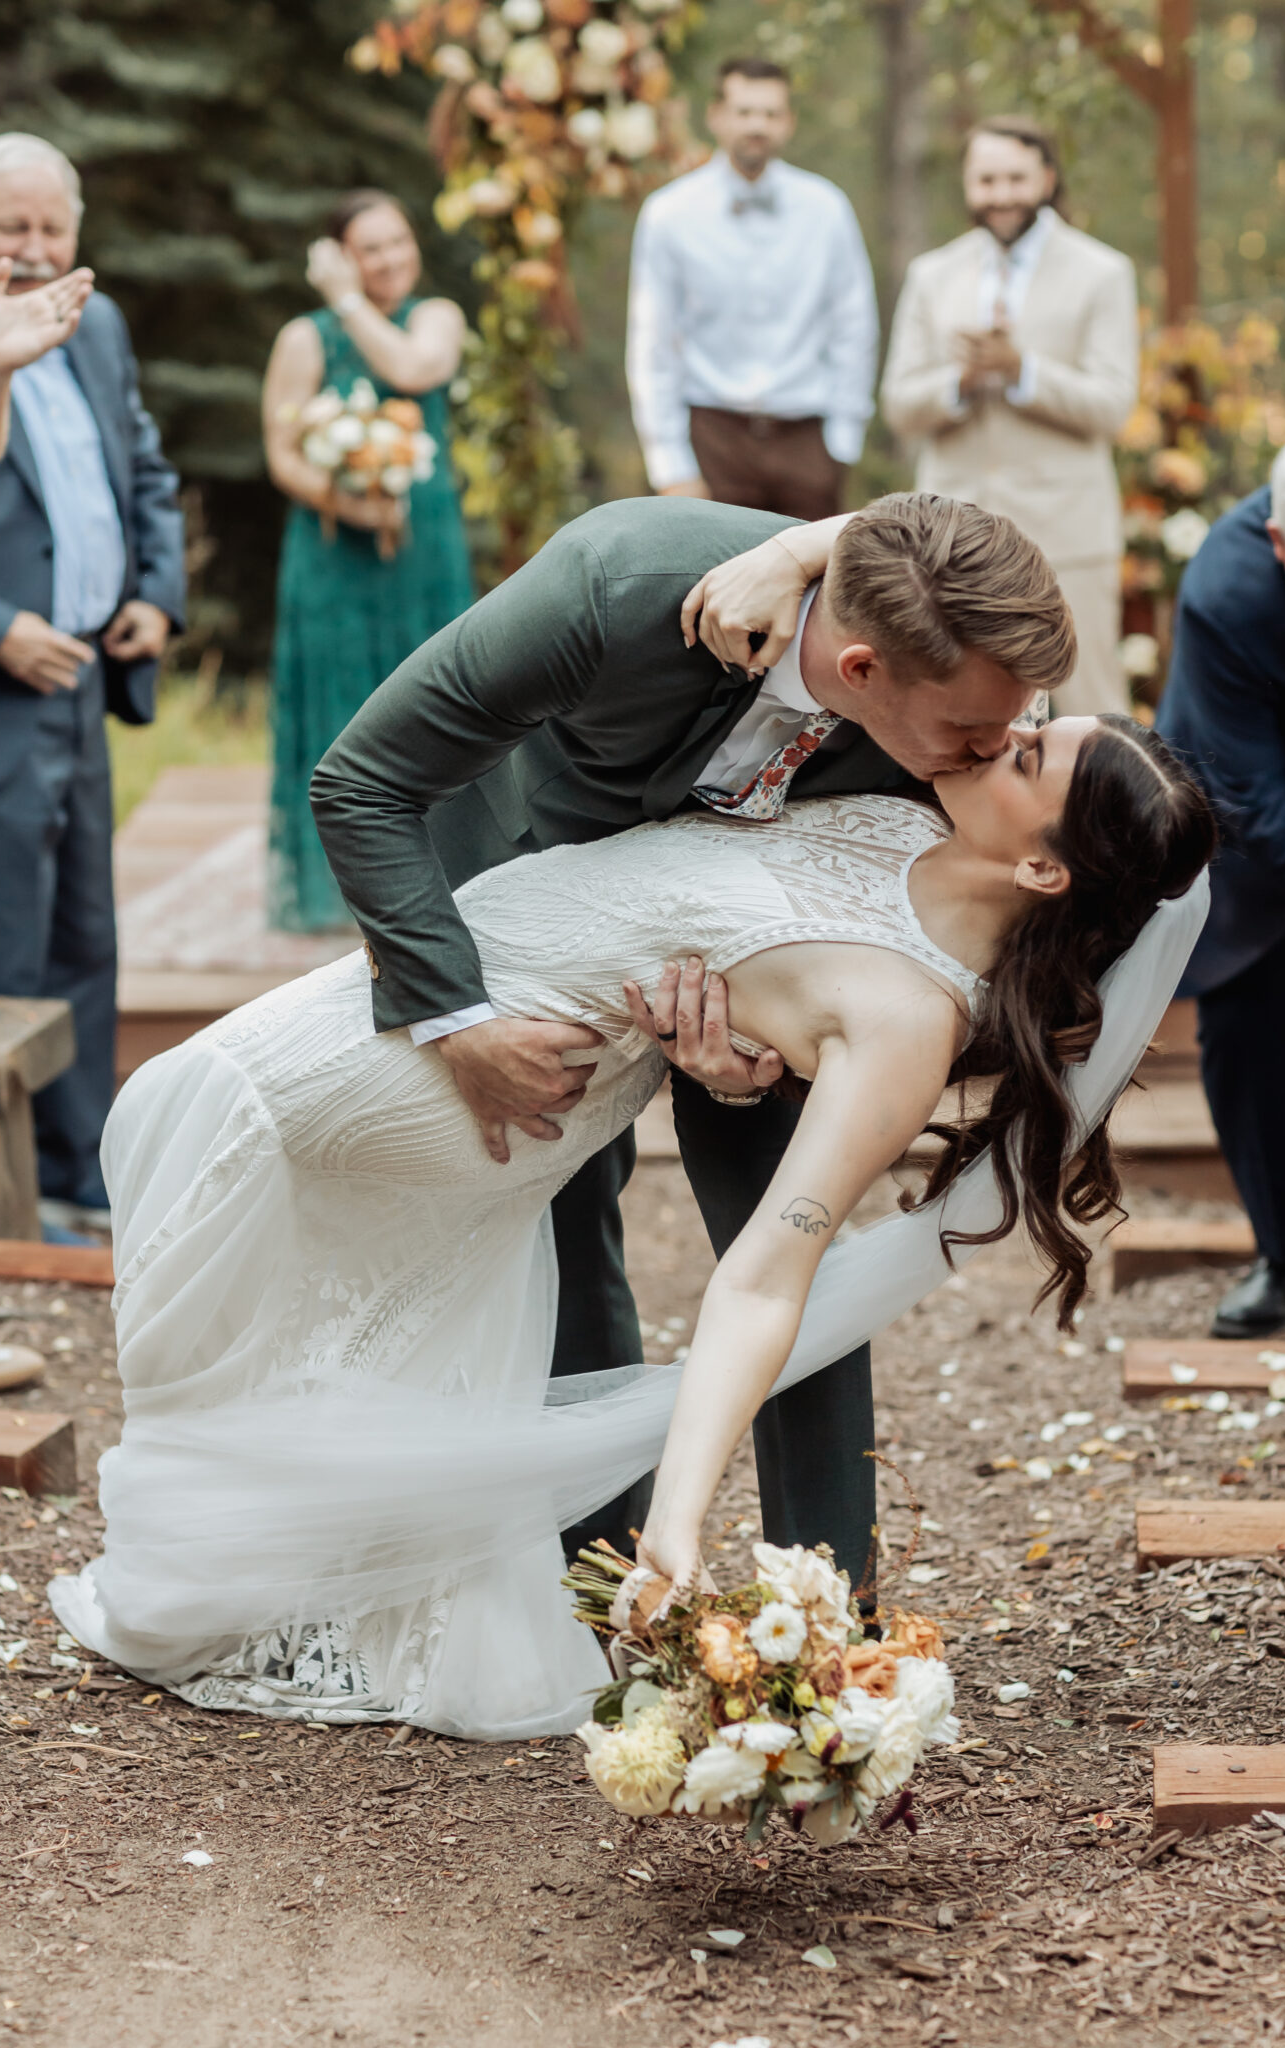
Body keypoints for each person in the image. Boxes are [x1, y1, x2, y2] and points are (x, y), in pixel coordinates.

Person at [48, 706, 1212, 1733]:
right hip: (451, 1010)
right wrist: (727, 1064)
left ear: (1046, 871)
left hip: (459, 1078)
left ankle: (197, 1571)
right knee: (265, 1283)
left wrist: (677, 1514)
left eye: (1026, 757)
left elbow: (768, 1275)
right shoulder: (908, 814)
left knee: (185, 1125)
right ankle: (231, 1570)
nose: (995, 733)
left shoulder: (902, 1020)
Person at [304, 491, 1071, 1615]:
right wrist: (456, 1020)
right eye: (967, 738)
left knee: (784, 1246)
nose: (995, 751)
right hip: (543, 885)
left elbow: (952, 528)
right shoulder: (616, 586)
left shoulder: (969, 684)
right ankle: (606, 1589)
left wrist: (777, 1049)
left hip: (774, 946)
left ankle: (823, 1617)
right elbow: (359, 779)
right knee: (563, 1220)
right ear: (860, 671)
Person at [0, 133, 184, 1224]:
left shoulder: (98, 324)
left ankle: (82, 1172)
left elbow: (141, 468)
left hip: (85, 685)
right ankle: (1, 1194)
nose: (39, 248)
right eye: (14, 226)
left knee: (86, 939)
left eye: (54, 227)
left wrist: (155, 592)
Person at [263, 189, 474, 932]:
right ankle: (335, 890)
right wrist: (344, 501)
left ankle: (444, 871)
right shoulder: (304, 339)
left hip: (426, 550)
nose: (389, 259)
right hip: (334, 556)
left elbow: (415, 371)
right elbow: (282, 452)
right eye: (369, 248)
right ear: (342, 256)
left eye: (398, 241)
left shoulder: (435, 317)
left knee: (435, 698)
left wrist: (349, 301)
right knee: (338, 700)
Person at [880, 115, 1138, 718]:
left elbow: (1112, 405)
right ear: (969, 185)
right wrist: (961, 382)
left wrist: (1022, 370)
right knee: (957, 704)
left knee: (1087, 707)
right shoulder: (931, 274)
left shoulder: (1102, 272)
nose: (1001, 195)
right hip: (950, 541)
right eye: (987, 179)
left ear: (1046, 178)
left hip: (1067, 534)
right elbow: (899, 405)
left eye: (1016, 178)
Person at [1157, 426, 1285, 1338]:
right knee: (1244, 1017)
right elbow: (1258, 801)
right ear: (1277, 542)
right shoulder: (1226, 594)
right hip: (1248, 811)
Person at [626, 56, 877, 521]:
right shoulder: (669, 213)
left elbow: (854, 325)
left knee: (815, 590)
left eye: (770, 113)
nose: (757, 125)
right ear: (715, 116)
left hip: (807, 439)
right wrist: (670, 465)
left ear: (789, 122)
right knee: (704, 589)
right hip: (711, 436)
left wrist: (842, 442)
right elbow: (653, 344)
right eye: (744, 111)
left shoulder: (827, 209)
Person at [0, 256, 93, 503]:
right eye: (13, 228)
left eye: (53, 231)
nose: (34, 253)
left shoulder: (98, 318)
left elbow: (142, 461)